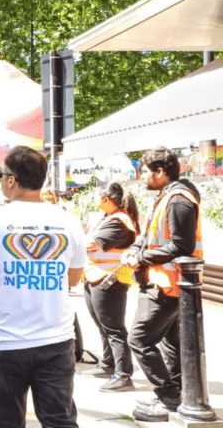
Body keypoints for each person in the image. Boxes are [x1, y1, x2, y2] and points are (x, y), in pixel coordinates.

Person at [0, 146, 86, 428]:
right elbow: (73, 279)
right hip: (56, 338)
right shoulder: (69, 222)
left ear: (12, 180)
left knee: (8, 422)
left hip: (7, 339)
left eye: (1, 174)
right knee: (60, 421)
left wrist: (2, 282)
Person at [123, 147, 202, 422]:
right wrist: (135, 249)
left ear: (160, 172)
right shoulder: (167, 196)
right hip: (165, 282)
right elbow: (147, 235)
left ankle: (169, 395)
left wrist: (140, 257)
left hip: (167, 283)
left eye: (145, 171)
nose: (141, 177)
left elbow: (181, 245)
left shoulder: (178, 199)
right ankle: (178, 396)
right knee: (170, 343)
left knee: (139, 340)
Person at [81, 182, 139, 392]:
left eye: (98, 196)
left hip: (110, 280)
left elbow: (90, 244)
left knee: (114, 329)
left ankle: (123, 376)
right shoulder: (108, 218)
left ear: (106, 200)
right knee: (104, 325)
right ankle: (108, 365)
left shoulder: (119, 221)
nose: (96, 200)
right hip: (97, 278)